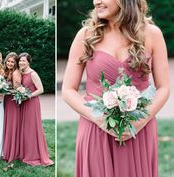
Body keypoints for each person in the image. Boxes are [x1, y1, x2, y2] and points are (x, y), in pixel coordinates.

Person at [62, 0, 170, 177]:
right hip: (96, 128)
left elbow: (164, 87)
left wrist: (140, 122)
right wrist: (99, 119)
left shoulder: (152, 34)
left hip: (138, 130)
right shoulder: (86, 35)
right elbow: (68, 90)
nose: (97, 1)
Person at [18, 52, 53, 166]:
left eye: (23, 60)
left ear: (28, 61)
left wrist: (28, 96)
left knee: (32, 127)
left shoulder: (33, 74)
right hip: (24, 103)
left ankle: (35, 155)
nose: (21, 62)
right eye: (20, 60)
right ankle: (26, 152)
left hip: (32, 103)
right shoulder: (21, 73)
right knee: (25, 128)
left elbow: (41, 89)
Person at [3, 52, 22, 162]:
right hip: (6, 101)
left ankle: (12, 152)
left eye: (12, 62)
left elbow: (17, 90)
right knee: (7, 125)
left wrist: (4, 91)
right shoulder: (6, 72)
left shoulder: (15, 73)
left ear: (15, 63)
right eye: (8, 61)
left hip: (12, 102)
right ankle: (7, 149)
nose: (10, 63)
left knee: (12, 126)